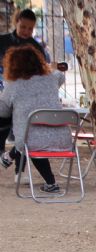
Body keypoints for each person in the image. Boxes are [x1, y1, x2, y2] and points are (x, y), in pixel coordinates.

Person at [0, 45, 70, 192]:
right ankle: (9, 157)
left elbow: (3, 112)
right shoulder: (52, 78)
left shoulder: (12, 85)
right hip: (62, 138)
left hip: (31, 141)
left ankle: (51, 183)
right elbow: (61, 76)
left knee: (28, 136)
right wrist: (53, 67)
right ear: (39, 61)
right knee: (32, 132)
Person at [0, 9, 47, 157]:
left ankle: (18, 163)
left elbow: (41, 70)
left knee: (23, 125)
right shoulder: (2, 41)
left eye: (30, 28)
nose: (26, 31)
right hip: (4, 85)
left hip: (26, 91)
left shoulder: (35, 47)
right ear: (16, 23)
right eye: (23, 27)